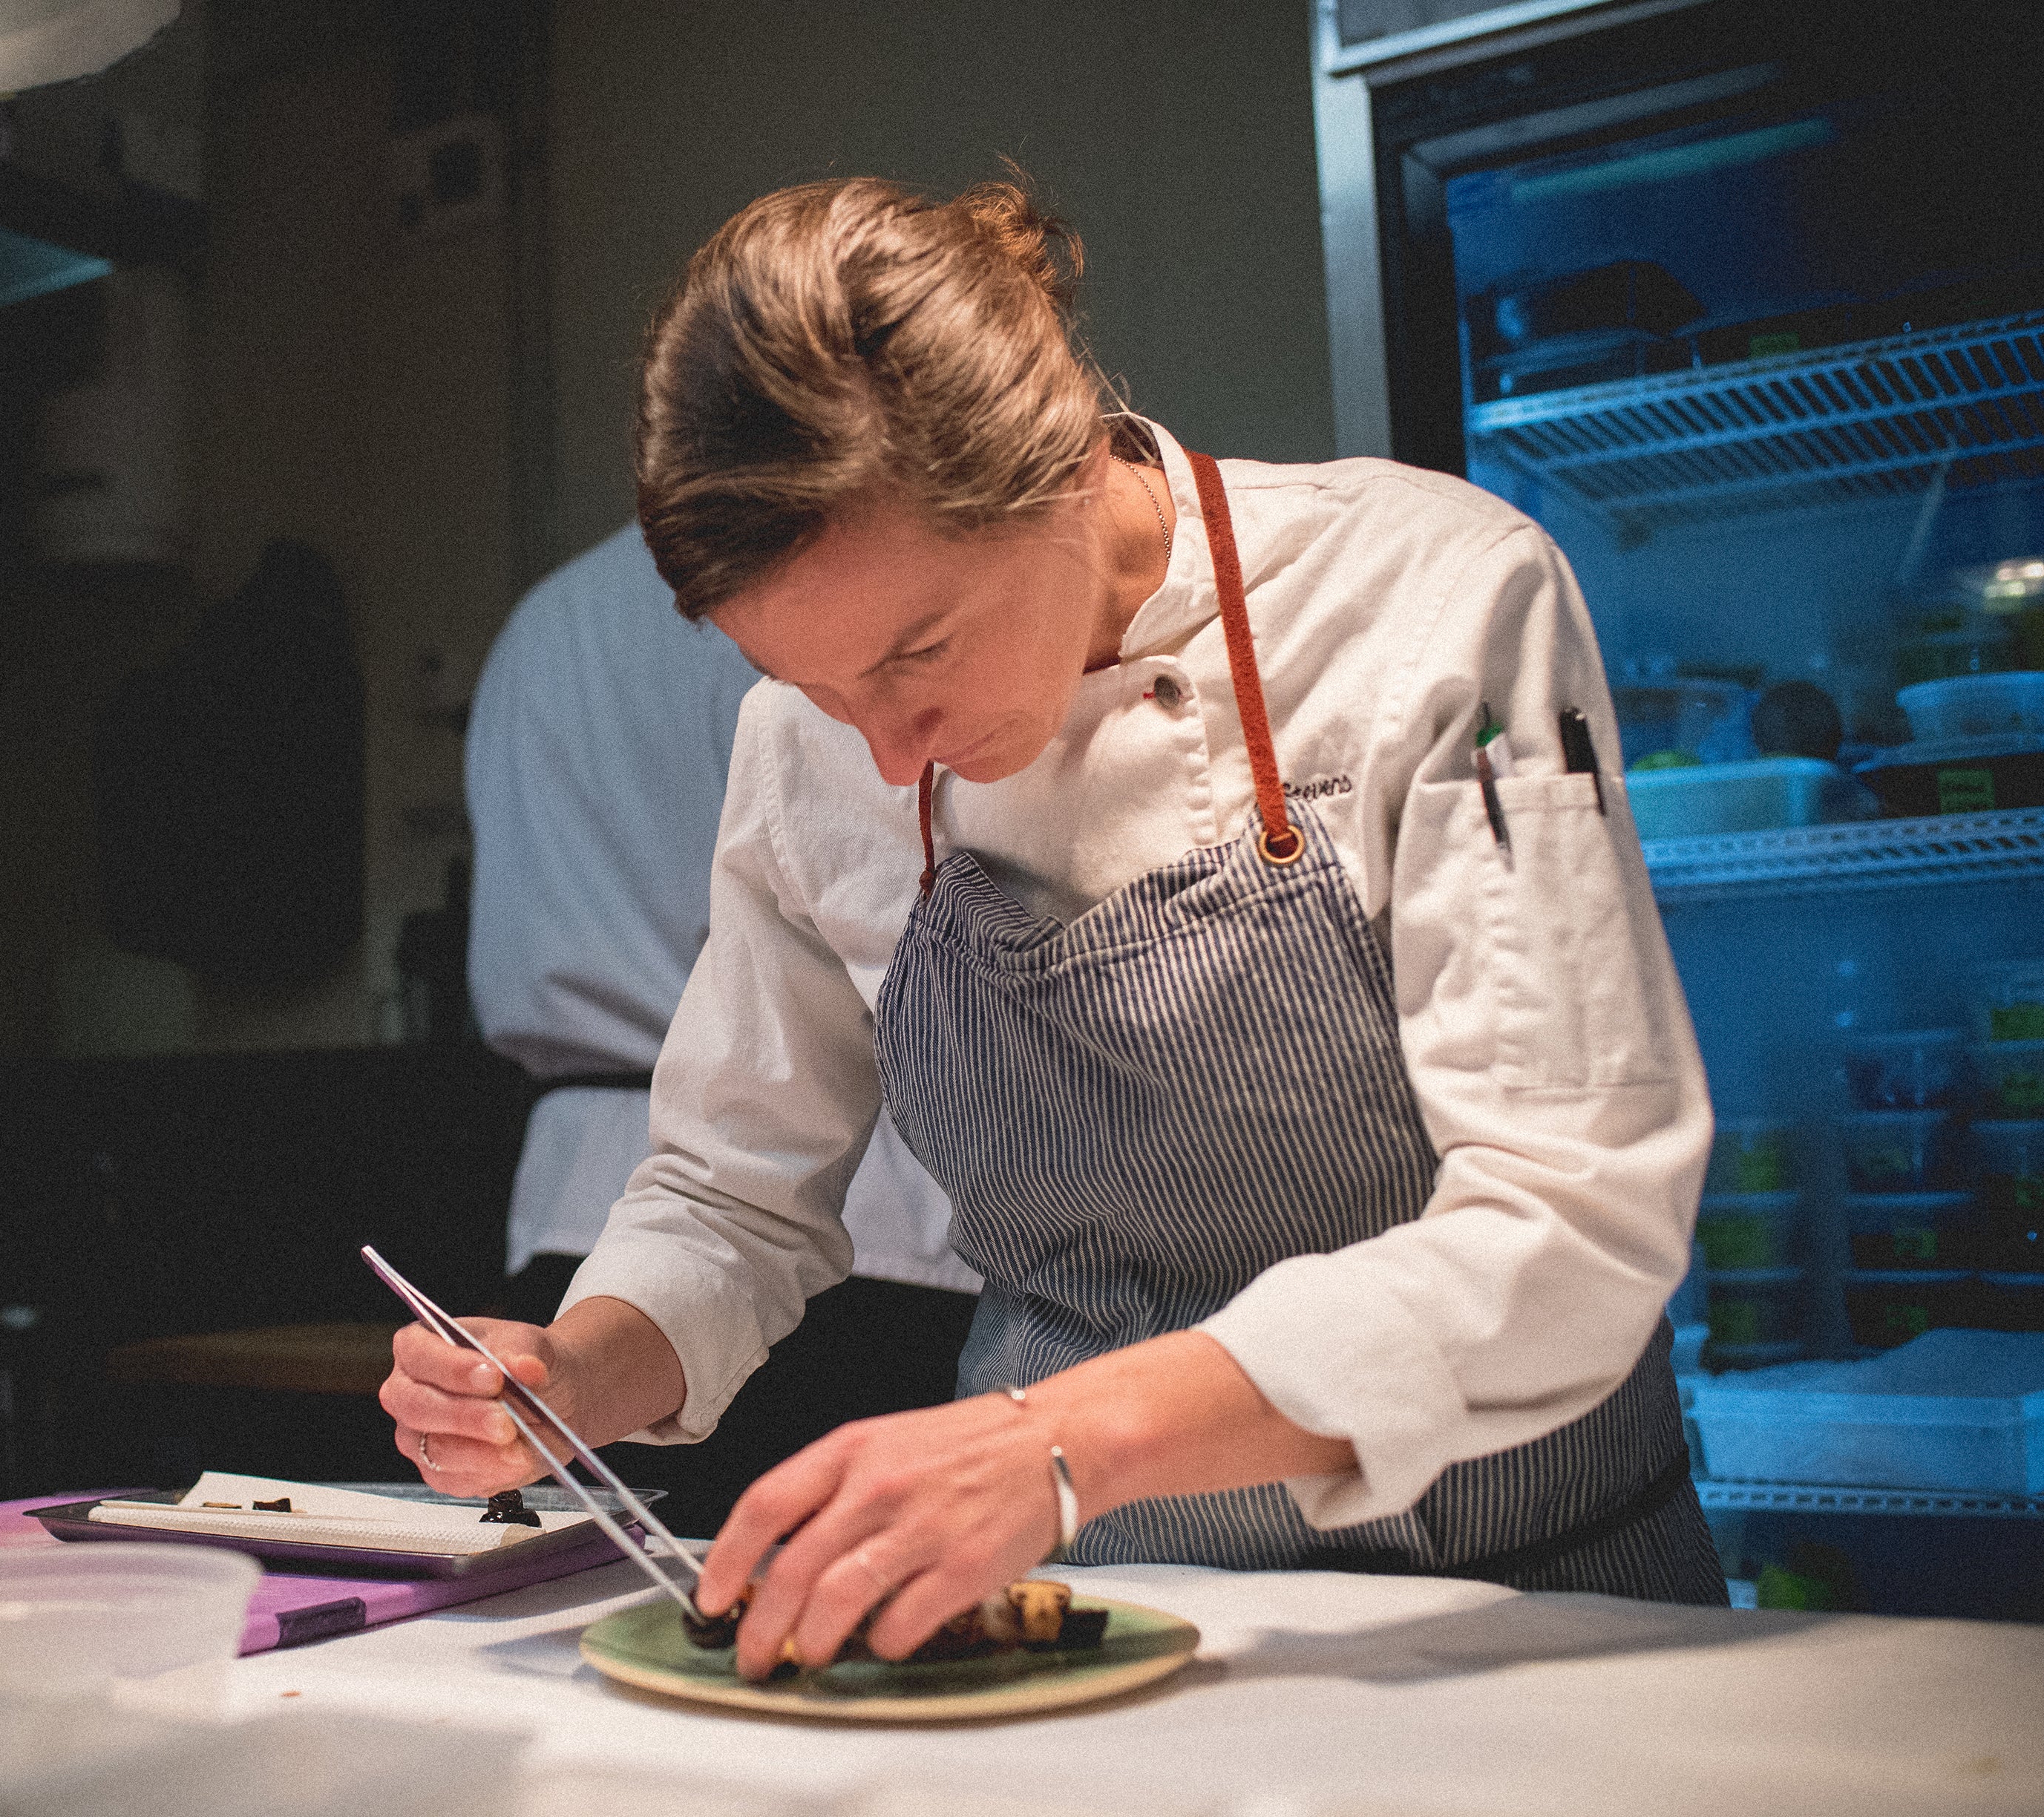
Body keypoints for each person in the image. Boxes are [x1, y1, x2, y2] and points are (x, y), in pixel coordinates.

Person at [384, 173, 1725, 1680]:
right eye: (824, 691)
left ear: (1065, 461)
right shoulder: (803, 753)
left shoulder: (1428, 603)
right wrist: (579, 1368)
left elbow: (1573, 1219)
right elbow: (731, 1195)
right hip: (1088, 1631)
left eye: (918, 651)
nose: (886, 752)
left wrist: (1055, 1442)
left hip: (1517, 1619)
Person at [465, 521, 980, 1538]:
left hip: (586, 1194)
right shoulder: (797, 608)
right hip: (795, 1207)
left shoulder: (543, 622)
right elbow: (846, 906)